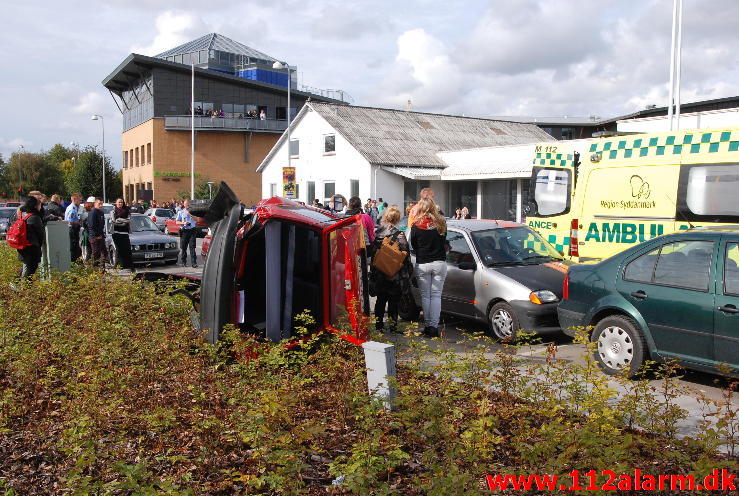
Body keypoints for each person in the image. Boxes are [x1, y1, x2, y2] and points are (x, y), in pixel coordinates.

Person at [369, 205, 412, 333]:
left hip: (380, 272)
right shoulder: (399, 235)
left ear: (386, 217)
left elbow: (373, 253)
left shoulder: (378, 234)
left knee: (380, 300)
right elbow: (405, 255)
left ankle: (378, 325)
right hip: (394, 274)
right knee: (393, 301)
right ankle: (393, 327)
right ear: (398, 219)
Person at [410, 198, 448, 337]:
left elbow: (413, 245)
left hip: (423, 263)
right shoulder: (441, 223)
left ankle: (428, 326)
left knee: (426, 296)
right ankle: (434, 326)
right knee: (436, 295)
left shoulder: (416, 225)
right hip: (439, 262)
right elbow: (444, 240)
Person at [15, 196, 45, 280]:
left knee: (26, 265)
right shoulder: (35, 217)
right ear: (35, 206)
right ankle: (24, 286)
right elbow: (40, 234)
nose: (41, 207)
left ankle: (18, 283)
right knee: (30, 267)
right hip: (31, 247)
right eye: (40, 205)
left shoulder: (23, 214)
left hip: (23, 245)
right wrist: (39, 245)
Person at [111, 198, 134, 270]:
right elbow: (114, 221)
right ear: (116, 203)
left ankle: (129, 266)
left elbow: (129, 220)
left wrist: (120, 219)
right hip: (116, 233)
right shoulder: (113, 211)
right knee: (118, 249)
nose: (120, 203)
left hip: (125, 233)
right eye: (119, 202)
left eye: (121, 202)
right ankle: (117, 266)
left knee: (127, 249)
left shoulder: (127, 210)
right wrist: (124, 221)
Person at [176, 199, 197, 268]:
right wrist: (183, 223)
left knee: (192, 247)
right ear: (184, 205)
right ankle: (183, 262)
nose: (187, 205)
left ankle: (194, 263)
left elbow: (197, 219)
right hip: (184, 231)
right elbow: (177, 222)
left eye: (188, 204)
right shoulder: (181, 212)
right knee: (184, 247)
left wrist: (190, 214)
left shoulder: (193, 211)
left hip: (192, 231)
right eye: (186, 204)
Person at [86, 198, 107, 268]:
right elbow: (91, 226)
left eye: (102, 204)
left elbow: (102, 224)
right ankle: (94, 269)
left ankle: (102, 269)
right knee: (95, 254)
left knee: (104, 253)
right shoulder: (92, 212)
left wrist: (101, 235)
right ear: (95, 204)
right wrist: (96, 235)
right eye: (99, 204)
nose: (101, 205)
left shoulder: (101, 212)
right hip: (94, 236)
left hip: (101, 235)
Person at [64, 193, 82, 262]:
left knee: (76, 248)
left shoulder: (72, 207)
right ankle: (72, 263)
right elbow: (70, 222)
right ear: (74, 199)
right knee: (73, 247)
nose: (80, 202)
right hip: (72, 229)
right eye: (79, 200)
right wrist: (79, 223)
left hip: (73, 229)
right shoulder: (72, 208)